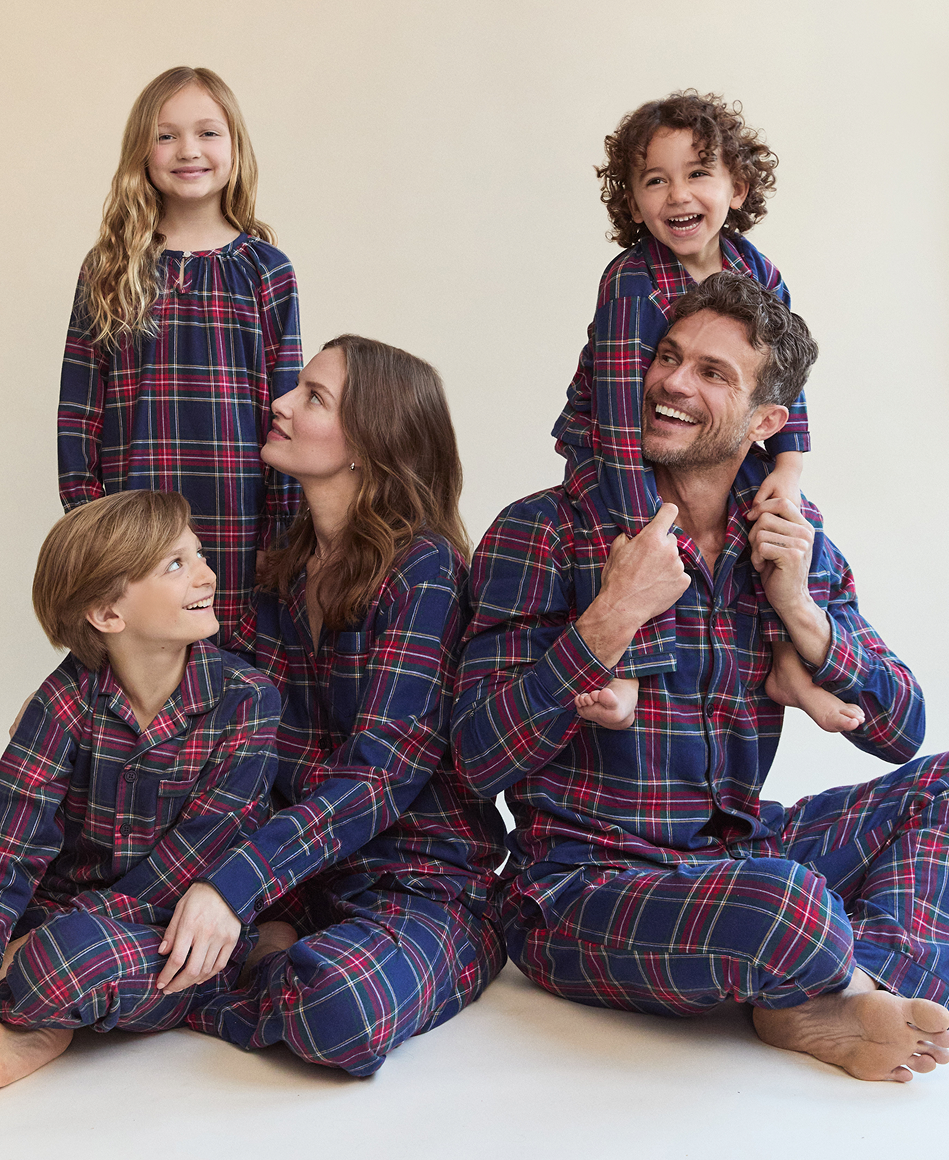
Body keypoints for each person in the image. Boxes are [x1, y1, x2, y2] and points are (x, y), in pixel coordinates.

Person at [453, 272, 949, 1083]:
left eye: (713, 373)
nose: (674, 382)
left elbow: (902, 730)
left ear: (765, 424)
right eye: (669, 357)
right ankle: (826, 976)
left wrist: (803, 613)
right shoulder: (543, 528)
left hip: (737, 853)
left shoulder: (787, 538)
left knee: (937, 792)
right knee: (786, 902)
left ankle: (844, 989)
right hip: (581, 886)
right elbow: (475, 758)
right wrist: (609, 617)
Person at [152, 335, 507, 1077]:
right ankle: (244, 960)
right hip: (302, 877)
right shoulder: (277, 571)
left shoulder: (425, 570)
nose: (279, 403)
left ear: (369, 444)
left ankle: (204, 986)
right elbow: (227, 734)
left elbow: (379, 776)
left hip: (418, 882)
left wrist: (233, 886)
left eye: (313, 397)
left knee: (339, 1008)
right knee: (102, 918)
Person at [0, 491, 281, 1095]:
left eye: (199, 554)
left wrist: (14, 951)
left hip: (161, 924)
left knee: (68, 960)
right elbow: (2, 844)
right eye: (175, 565)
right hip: (54, 900)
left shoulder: (247, 700)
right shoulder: (63, 700)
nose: (207, 573)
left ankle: (34, 1018)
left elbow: (183, 870)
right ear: (107, 615)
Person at [553, 91, 854, 735]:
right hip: (611, 444)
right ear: (633, 203)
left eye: (697, 174)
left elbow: (783, 378)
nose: (677, 195)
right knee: (636, 540)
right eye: (655, 181)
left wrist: (790, 470)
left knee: (770, 527)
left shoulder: (757, 270)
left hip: (704, 446)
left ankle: (786, 662)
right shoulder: (632, 282)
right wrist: (644, 512)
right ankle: (627, 666)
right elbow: (614, 413)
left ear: (737, 187)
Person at [57, 66, 302, 642]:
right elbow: (78, 409)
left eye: (207, 133)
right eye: (166, 135)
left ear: (235, 147)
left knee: (228, 668)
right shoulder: (110, 269)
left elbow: (284, 409)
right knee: (141, 660)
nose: (187, 150)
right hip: (132, 513)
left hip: (239, 517)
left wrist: (283, 534)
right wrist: (86, 518)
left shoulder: (267, 270)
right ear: (142, 151)